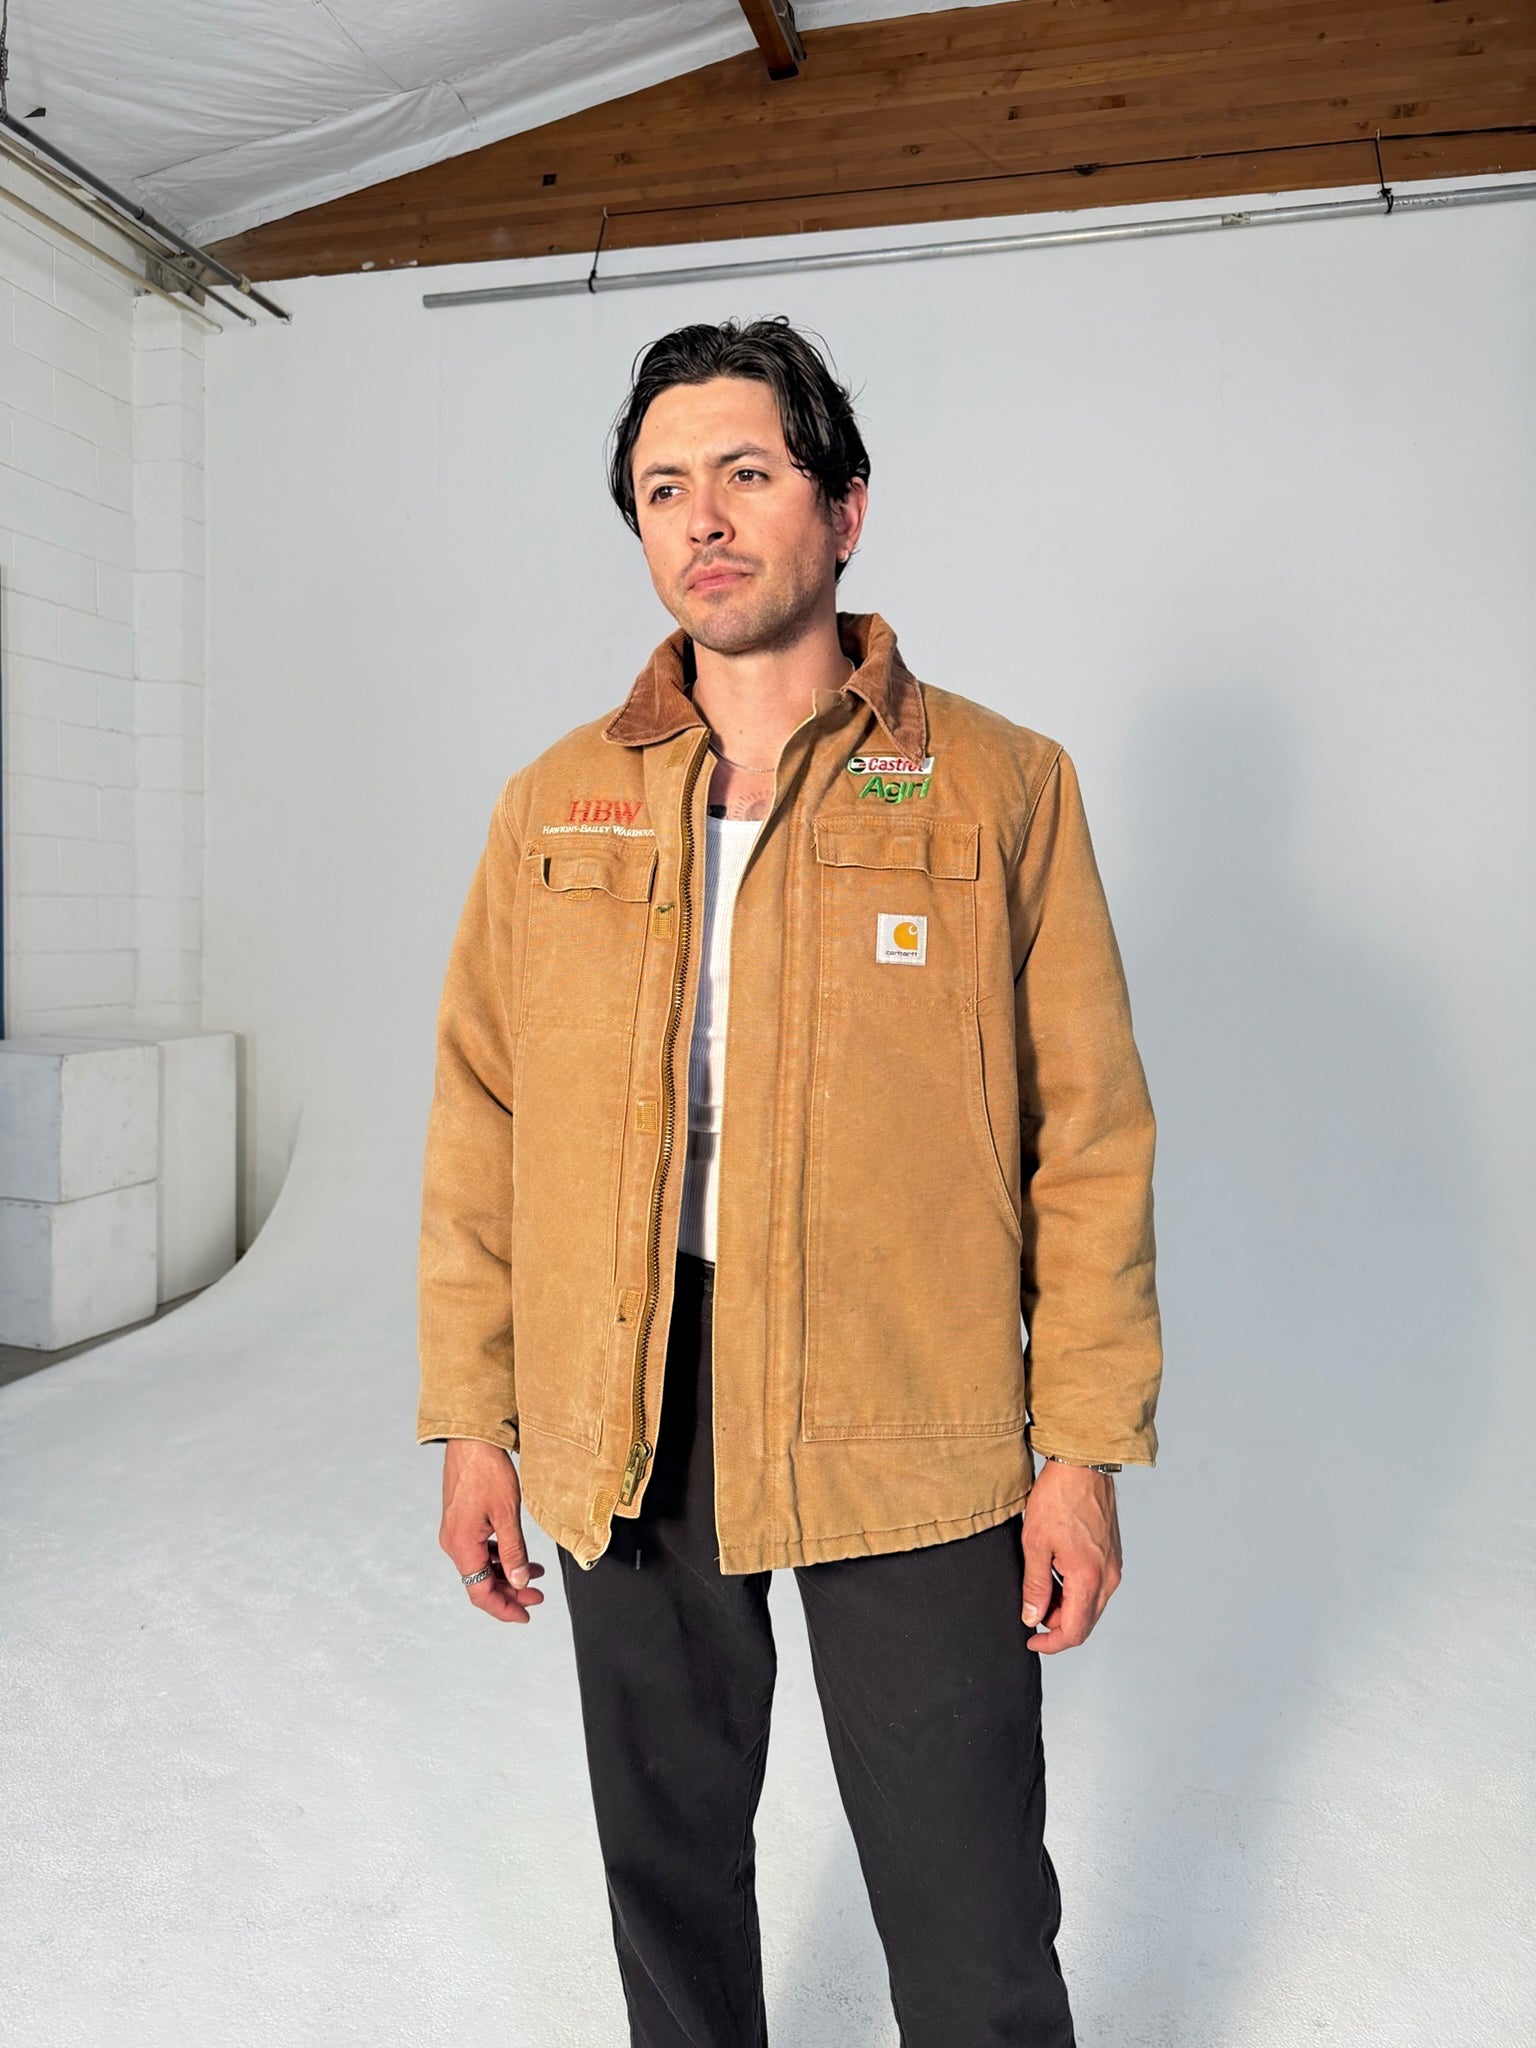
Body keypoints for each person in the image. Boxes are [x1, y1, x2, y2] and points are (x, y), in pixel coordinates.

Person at [416, 316, 1163, 2047]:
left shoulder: (998, 786)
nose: (704, 517)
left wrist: (1082, 1452)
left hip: (908, 1401)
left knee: (971, 1910)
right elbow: (479, 1121)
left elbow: (1091, 1136)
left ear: (845, 508)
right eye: (663, 488)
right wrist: (476, 1418)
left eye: (747, 473)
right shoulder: (557, 803)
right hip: (630, 1403)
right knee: (668, 1877)